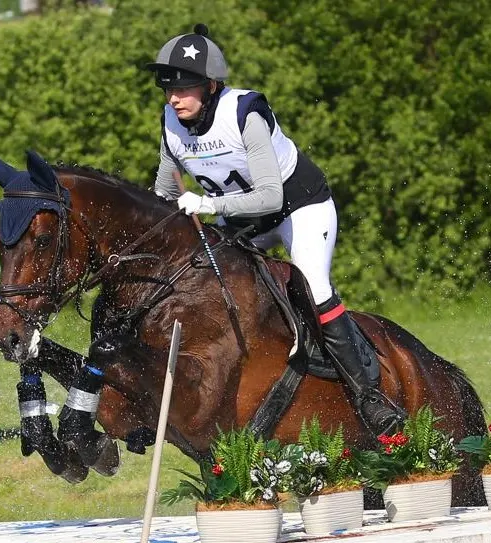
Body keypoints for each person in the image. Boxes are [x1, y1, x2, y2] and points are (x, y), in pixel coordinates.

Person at [145, 24, 403, 437]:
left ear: (212, 85)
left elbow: (268, 195)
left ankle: (370, 397)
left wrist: (207, 204)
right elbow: (162, 191)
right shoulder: (170, 122)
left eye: (185, 87)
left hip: (297, 207)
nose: (174, 97)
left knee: (312, 285)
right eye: (168, 88)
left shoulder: (245, 113)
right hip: (243, 220)